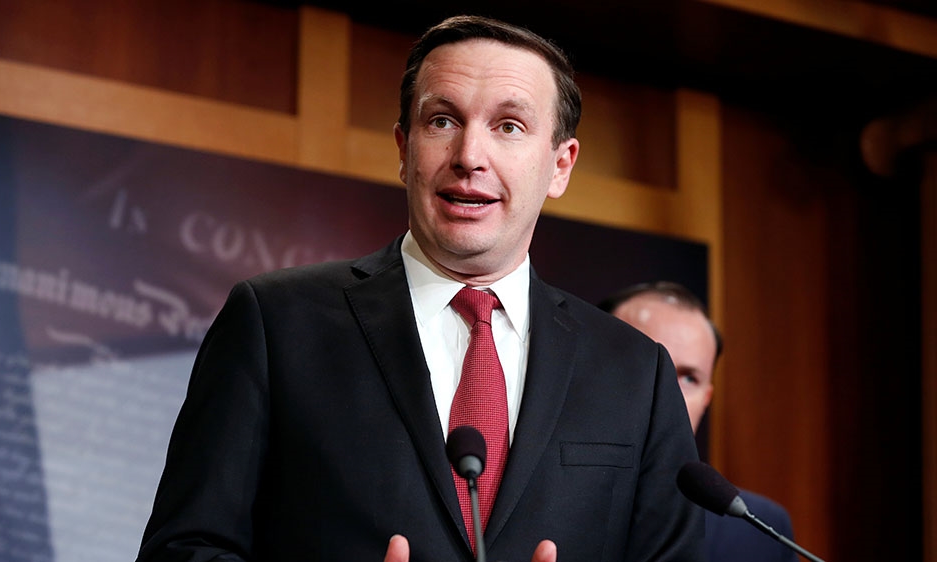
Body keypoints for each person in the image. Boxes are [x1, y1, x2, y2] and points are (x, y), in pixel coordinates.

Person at [136, 15, 702, 562]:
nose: (469, 157)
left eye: (508, 126)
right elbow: (183, 549)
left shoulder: (637, 374)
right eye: (443, 121)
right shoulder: (276, 322)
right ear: (404, 150)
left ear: (560, 165)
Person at [600, 281, 799, 562]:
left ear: (706, 399)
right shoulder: (539, 500)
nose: (667, 392)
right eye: (648, 366)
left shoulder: (759, 532)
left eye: (689, 378)